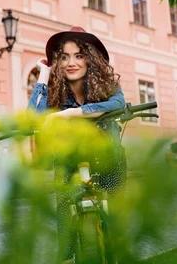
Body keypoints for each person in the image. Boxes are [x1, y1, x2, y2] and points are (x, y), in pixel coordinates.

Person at [27, 26, 126, 262]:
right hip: (68, 161)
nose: (72, 62)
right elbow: (33, 115)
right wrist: (43, 73)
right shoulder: (54, 90)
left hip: (107, 159)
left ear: (90, 59)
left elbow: (118, 103)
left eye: (79, 55)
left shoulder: (105, 86)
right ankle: (68, 255)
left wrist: (70, 114)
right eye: (64, 56)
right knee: (65, 218)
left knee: (118, 221)